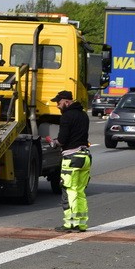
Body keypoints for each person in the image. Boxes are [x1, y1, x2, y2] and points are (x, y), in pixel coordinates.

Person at [47, 90, 91, 232]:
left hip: (72, 158)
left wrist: (53, 143)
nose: (58, 106)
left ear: (67, 102)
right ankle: (82, 223)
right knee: (80, 192)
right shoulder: (84, 115)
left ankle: (70, 224)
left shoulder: (67, 117)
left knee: (69, 191)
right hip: (85, 157)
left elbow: (62, 140)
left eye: (59, 103)